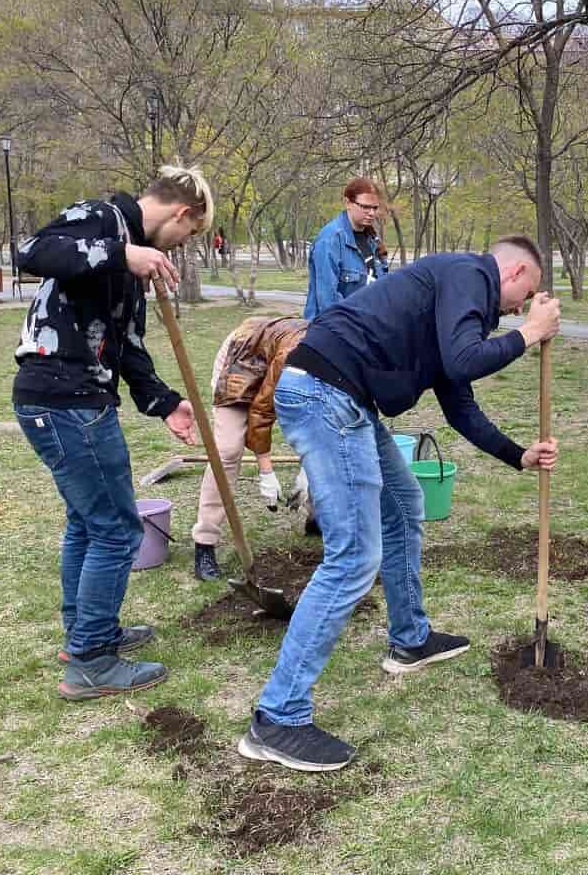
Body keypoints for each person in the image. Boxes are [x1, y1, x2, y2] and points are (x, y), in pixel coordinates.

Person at [238, 236, 561, 772]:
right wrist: (530, 335)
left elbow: (459, 398)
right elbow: (465, 361)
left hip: (346, 400)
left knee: (405, 503)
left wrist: (517, 454)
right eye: (525, 296)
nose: (521, 308)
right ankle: (278, 717)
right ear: (517, 270)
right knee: (352, 558)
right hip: (325, 394)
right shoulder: (468, 274)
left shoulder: (458, 306)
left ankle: (410, 640)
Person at [13, 165, 213, 701]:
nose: (182, 244)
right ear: (181, 213)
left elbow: (124, 344)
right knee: (117, 531)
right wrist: (123, 254)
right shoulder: (101, 220)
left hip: (75, 399)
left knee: (87, 523)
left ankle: (86, 634)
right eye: (189, 234)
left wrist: (165, 403)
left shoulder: (131, 262)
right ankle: (92, 663)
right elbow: (31, 251)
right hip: (63, 398)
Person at [191, 315, 309, 581]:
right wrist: (266, 473)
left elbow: (321, 424)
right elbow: (262, 412)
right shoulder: (293, 356)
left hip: (274, 352)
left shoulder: (338, 367)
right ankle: (205, 542)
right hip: (242, 360)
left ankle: (317, 519)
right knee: (228, 450)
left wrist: (308, 472)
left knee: (325, 449)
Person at [303, 177, 390, 318]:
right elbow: (328, 301)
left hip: (369, 328)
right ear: (348, 203)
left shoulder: (373, 240)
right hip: (334, 330)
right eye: (365, 207)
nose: (372, 213)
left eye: (375, 207)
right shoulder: (329, 240)